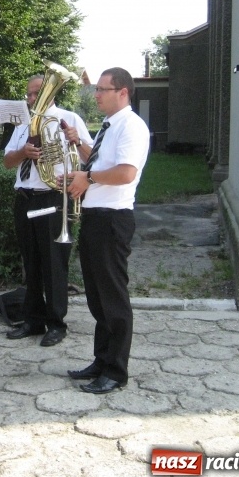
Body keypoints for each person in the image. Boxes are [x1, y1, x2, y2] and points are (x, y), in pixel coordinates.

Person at [61, 67, 150, 394]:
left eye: (102, 89)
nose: (96, 94)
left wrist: (88, 178)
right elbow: (97, 164)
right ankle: (102, 361)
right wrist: (79, 151)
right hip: (96, 217)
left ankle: (115, 371)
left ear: (122, 92)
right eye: (97, 89)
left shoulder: (131, 126)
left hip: (113, 220)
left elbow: (126, 173)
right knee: (98, 298)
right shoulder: (109, 125)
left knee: (113, 298)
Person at [3, 74, 93, 347]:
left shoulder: (69, 118)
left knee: (54, 264)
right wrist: (23, 153)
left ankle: (56, 324)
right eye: (29, 94)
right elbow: (7, 161)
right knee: (30, 263)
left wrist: (76, 140)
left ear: (50, 93)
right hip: (25, 198)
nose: (32, 99)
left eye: (36, 93)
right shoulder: (23, 124)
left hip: (53, 198)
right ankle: (33, 320)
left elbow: (91, 158)